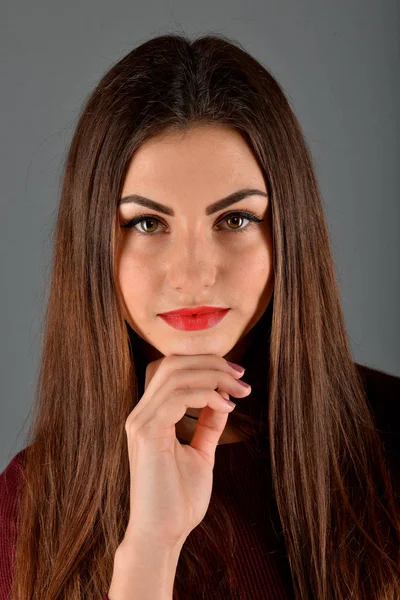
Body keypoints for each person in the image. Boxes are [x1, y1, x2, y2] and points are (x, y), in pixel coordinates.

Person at [0, 32, 399, 600]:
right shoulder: (31, 505)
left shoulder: (391, 434)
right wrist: (150, 547)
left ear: (289, 230)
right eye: (146, 223)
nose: (193, 274)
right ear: (93, 244)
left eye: (235, 219)